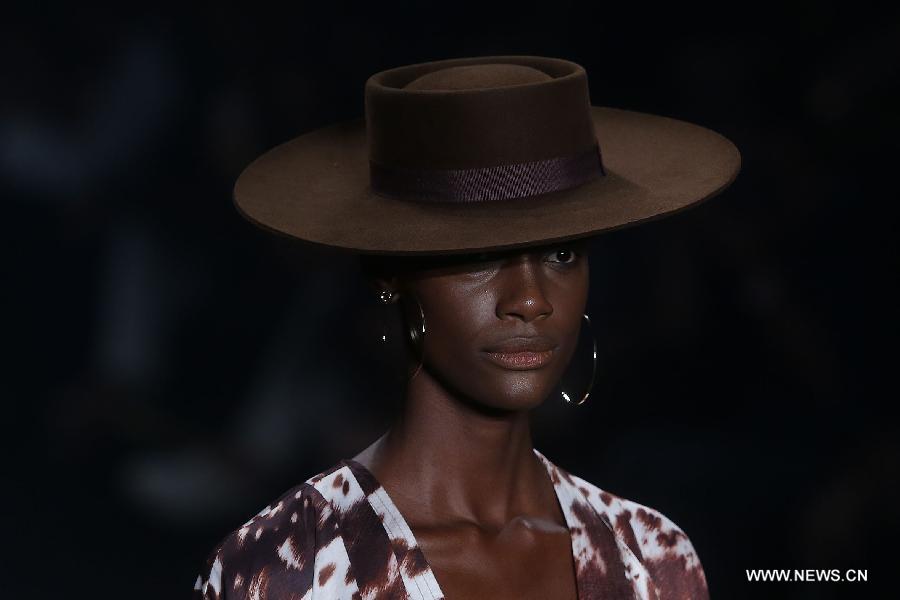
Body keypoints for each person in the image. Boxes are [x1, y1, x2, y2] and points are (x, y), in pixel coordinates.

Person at [192, 55, 740, 599]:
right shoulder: (285, 571)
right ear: (390, 273)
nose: (529, 299)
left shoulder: (652, 557)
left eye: (562, 253)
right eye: (478, 254)